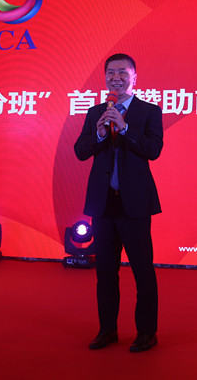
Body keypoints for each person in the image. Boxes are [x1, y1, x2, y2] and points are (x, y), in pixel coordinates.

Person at [74, 53, 164, 352]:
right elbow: (80, 151)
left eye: (123, 72)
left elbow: (153, 150)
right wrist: (99, 134)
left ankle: (146, 332)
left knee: (142, 271)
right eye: (111, 73)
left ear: (134, 77)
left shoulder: (149, 111)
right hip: (103, 205)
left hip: (134, 205)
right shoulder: (95, 112)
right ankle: (107, 330)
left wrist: (124, 128)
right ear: (105, 77)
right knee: (105, 273)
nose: (116, 78)